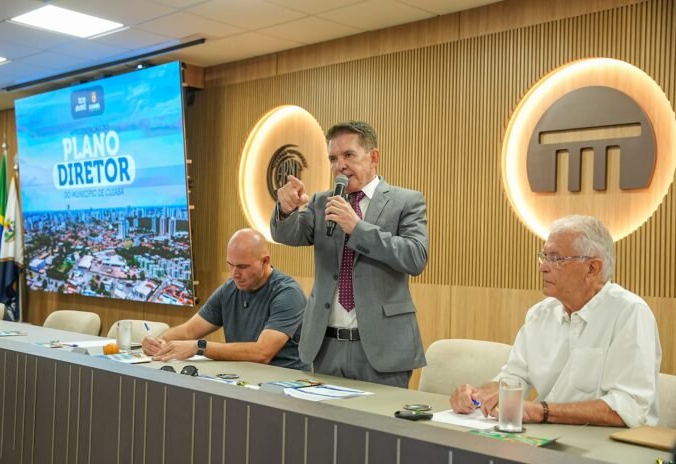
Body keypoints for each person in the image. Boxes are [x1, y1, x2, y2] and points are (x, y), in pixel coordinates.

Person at [450, 215, 661, 427]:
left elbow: (628, 408)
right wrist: (478, 394)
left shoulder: (630, 313)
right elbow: (514, 378)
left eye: (556, 259)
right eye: (544, 257)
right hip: (547, 436)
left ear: (592, 268)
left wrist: (541, 411)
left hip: (608, 441)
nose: (543, 267)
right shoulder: (540, 314)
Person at [270, 120, 428, 388]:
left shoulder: (406, 201)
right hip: (325, 346)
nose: (339, 165)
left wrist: (357, 229)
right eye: (333, 158)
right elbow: (289, 236)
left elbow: (415, 257)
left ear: (373, 157)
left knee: (379, 417)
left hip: (382, 349)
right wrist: (285, 210)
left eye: (348, 155)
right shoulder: (322, 202)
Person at [143, 228, 307, 370]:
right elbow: (188, 331)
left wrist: (200, 347)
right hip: (242, 376)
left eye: (242, 267)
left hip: (283, 382)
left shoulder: (288, 293)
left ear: (265, 261)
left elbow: (262, 353)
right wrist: (160, 341)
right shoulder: (229, 289)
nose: (234, 274)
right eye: (230, 265)